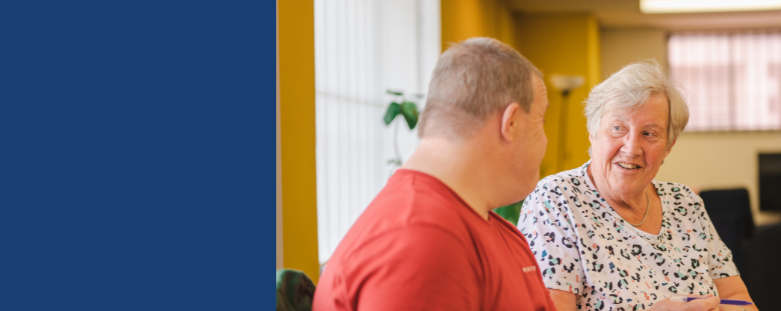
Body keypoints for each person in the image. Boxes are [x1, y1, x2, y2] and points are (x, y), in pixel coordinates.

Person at [312, 37, 554, 311]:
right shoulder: (423, 242)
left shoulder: (494, 231)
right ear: (511, 123)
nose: (545, 140)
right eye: (541, 120)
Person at [517, 60, 756, 311]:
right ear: (593, 133)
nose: (631, 148)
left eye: (649, 133)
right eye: (617, 128)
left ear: (668, 146)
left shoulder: (686, 202)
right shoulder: (556, 199)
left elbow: (739, 299)